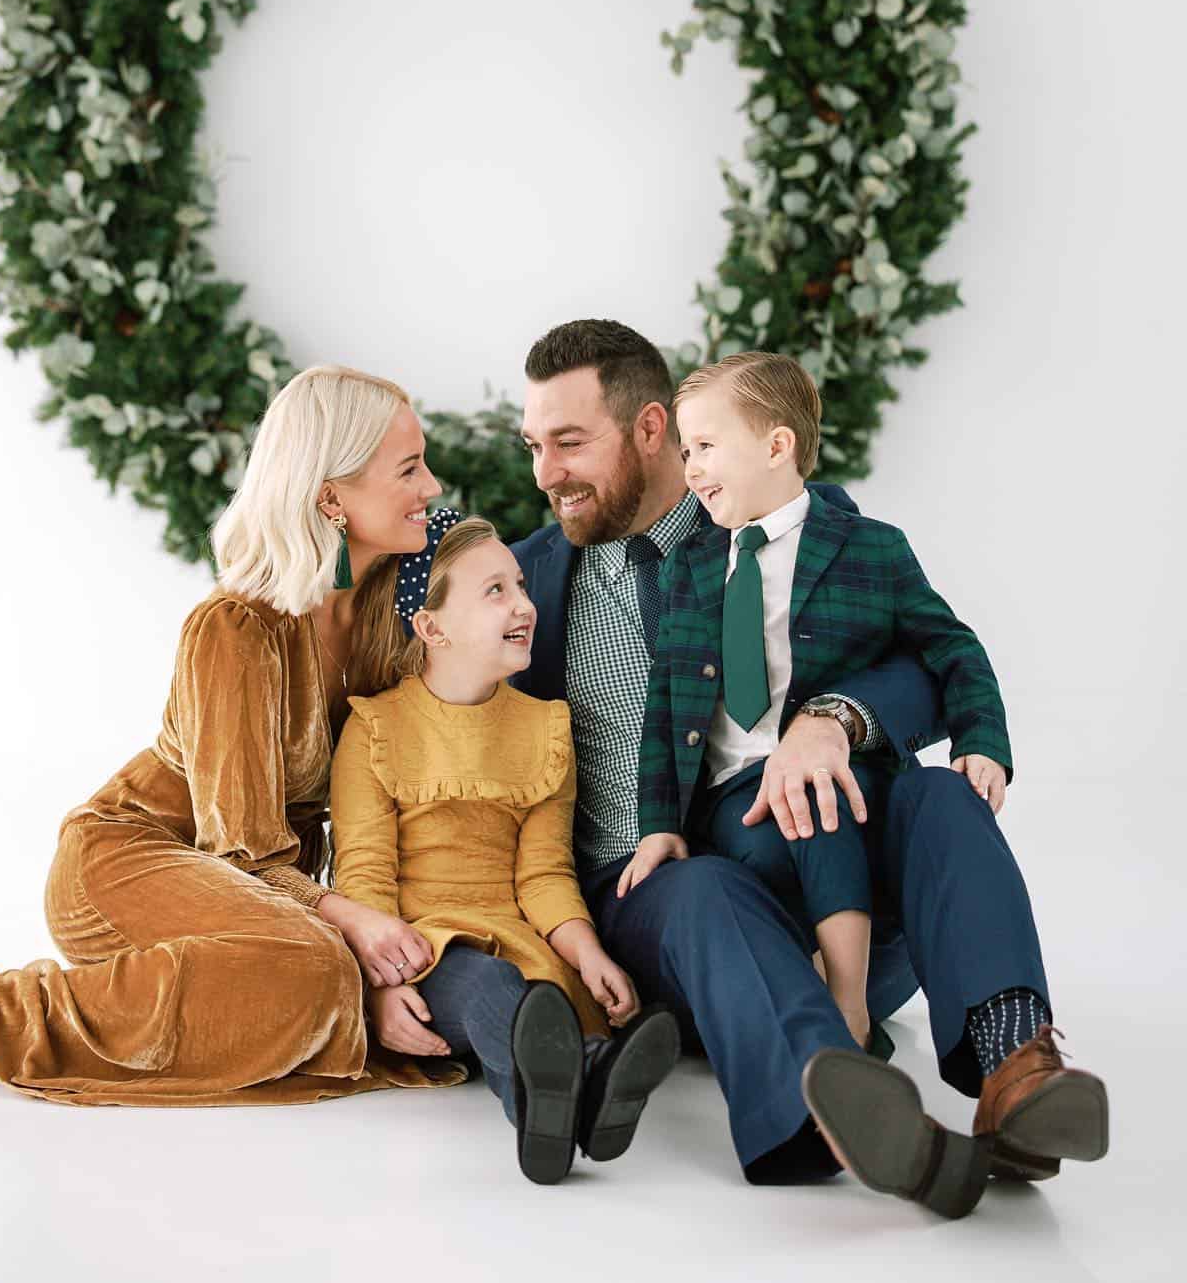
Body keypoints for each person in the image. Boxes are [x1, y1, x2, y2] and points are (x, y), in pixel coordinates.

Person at [511, 319, 1108, 1217]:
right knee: (704, 886)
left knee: (939, 794)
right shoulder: (520, 584)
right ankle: (832, 1107)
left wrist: (833, 720)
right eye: (533, 445)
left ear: (652, 430)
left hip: (847, 879)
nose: (545, 473)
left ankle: (1019, 1070)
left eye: (568, 442)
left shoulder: (817, 528)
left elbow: (922, 656)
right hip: (669, 887)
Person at [0, 365, 468, 1107]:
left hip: (257, 901)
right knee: (314, 967)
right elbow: (241, 853)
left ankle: (4, 1005)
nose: (432, 485)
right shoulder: (238, 626)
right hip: (127, 858)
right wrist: (350, 933)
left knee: (313, 966)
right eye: (409, 467)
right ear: (332, 494)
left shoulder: (383, 624)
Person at [618, 352, 1014, 1053]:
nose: (692, 470)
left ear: (777, 445)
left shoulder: (872, 550)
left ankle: (853, 1005)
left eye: (706, 447)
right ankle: (841, 1014)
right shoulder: (693, 565)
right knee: (800, 806)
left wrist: (980, 741)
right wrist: (657, 824)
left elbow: (950, 647)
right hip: (733, 800)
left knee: (818, 793)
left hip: (842, 774)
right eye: (686, 451)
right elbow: (663, 702)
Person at [333, 515, 680, 1184]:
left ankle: (557, 1107)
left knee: (531, 986)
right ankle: (576, 1078)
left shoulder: (545, 726)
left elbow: (546, 874)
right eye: (495, 591)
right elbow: (365, 879)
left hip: (519, 942)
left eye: (519, 583)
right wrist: (383, 987)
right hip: (422, 951)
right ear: (432, 628)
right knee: (492, 987)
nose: (524, 604)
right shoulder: (375, 727)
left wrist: (589, 953)